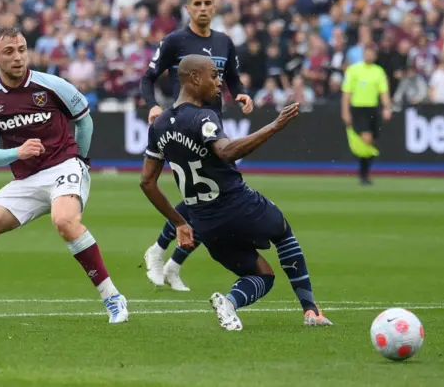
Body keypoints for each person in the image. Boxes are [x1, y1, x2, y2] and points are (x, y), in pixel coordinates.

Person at [0, 27, 128, 324]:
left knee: (64, 221)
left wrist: (81, 162)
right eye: (9, 51)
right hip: (27, 179)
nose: (18, 56)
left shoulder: (53, 85)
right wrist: (17, 153)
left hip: (64, 166)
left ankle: (113, 297)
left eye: (22, 49)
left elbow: (84, 122)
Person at [140, 55, 332, 331]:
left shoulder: (158, 126)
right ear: (195, 79)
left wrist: (180, 222)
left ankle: (228, 304)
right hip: (239, 205)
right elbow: (226, 151)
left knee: (262, 275)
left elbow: (147, 182)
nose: (219, 84)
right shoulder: (204, 116)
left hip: (204, 223)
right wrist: (274, 126)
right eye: (213, 76)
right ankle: (311, 310)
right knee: (282, 232)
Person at [140, 0, 254, 291]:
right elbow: (148, 78)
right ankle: (164, 255)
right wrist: (152, 106)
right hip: (183, 126)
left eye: (207, 2)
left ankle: (169, 260)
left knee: (207, 197)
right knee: (208, 197)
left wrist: (241, 95)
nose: (203, 8)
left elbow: (232, 78)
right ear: (188, 8)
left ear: (215, 7)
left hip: (211, 127)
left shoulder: (225, 42)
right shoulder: (175, 41)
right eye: (197, 3)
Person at [341, 46, 393, 185]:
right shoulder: (354, 70)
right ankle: (363, 174)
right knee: (367, 139)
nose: (369, 55)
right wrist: (345, 111)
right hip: (358, 108)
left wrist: (387, 107)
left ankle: (364, 173)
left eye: (371, 53)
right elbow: (347, 93)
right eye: (366, 53)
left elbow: (383, 92)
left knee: (372, 141)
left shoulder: (378, 71)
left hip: (373, 109)